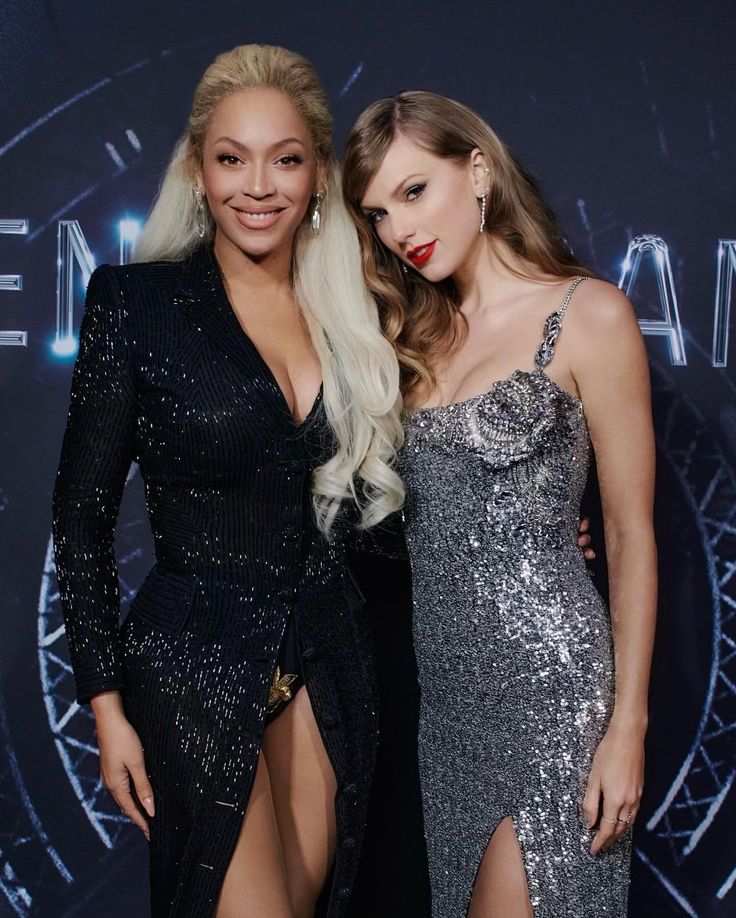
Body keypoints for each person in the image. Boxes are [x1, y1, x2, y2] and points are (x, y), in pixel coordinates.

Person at [51, 44, 405, 918]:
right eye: (231, 158)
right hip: (191, 671)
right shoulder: (136, 305)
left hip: (331, 663)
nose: (259, 185)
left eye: (286, 159)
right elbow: (81, 517)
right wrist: (104, 705)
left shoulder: (358, 315)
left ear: (319, 172)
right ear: (198, 171)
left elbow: (378, 515)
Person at [342, 91, 657, 917]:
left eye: (415, 190)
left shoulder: (588, 315)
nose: (399, 229)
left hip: (553, 689)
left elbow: (628, 533)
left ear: (477, 169)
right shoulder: (405, 340)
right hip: (446, 711)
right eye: (377, 212)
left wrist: (627, 729)